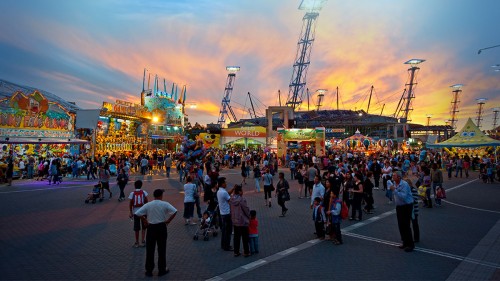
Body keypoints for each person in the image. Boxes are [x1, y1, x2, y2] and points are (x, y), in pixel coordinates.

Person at [135, 189, 177, 277]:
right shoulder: (164, 203)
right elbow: (174, 211)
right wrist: (168, 220)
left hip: (151, 227)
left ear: (154, 195)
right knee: (162, 249)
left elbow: (137, 213)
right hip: (161, 227)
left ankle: (149, 270)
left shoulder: (148, 204)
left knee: (150, 250)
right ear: (161, 195)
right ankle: (162, 269)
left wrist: (145, 220)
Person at [389, 171, 415, 252]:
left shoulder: (404, 184)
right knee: (400, 225)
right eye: (392, 175)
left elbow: (403, 196)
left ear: (399, 177)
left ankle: (410, 244)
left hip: (406, 206)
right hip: (399, 207)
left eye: (394, 175)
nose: (392, 176)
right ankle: (404, 241)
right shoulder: (394, 183)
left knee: (406, 225)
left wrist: (394, 190)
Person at [230, 184, 251, 257]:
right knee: (245, 237)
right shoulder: (242, 200)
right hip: (243, 221)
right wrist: (249, 216)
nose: (242, 192)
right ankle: (246, 252)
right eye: (241, 190)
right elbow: (246, 210)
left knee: (236, 237)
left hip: (235, 220)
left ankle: (236, 251)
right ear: (239, 192)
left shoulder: (232, 199)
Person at [217, 177, 235, 251]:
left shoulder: (219, 191)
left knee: (224, 230)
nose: (226, 184)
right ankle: (227, 246)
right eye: (225, 182)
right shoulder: (223, 192)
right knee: (228, 231)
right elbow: (230, 200)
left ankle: (223, 245)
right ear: (222, 184)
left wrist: (233, 189)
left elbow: (227, 194)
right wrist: (235, 194)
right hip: (227, 213)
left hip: (222, 213)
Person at [129, 180, 149, 247]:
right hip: (143, 212)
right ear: (141, 185)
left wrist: (131, 212)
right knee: (144, 227)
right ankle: (143, 241)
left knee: (136, 228)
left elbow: (131, 203)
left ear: (135, 186)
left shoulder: (132, 193)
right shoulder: (144, 192)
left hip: (136, 213)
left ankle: (137, 242)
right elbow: (146, 201)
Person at [406, 178, 420, 243]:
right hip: (407, 210)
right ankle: (408, 237)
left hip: (414, 210)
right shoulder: (406, 190)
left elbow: (414, 200)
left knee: (415, 224)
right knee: (407, 225)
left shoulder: (413, 190)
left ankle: (416, 238)